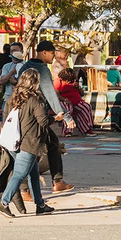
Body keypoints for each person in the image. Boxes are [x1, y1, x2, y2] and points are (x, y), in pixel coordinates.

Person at [0, 70, 57, 217]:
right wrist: (57, 118)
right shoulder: (36, 100)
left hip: (13, 142)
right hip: (29, 143)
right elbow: (42, 122)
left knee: (34, 174)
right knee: (19, 174)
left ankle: (40, 204)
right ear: (35, 82)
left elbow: (5, 119)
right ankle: (4, 203)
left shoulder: (13, 97)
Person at [18, 40, 74, 193]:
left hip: (24, 114)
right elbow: (51, 95)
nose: (53, 56)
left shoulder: (24, 67)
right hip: (37, 115)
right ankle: (23, 190)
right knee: (32, 152)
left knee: (51, 144)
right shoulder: (42, 70)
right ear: (44, 52)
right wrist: (67, 117)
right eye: (51, 53)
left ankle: (57, 181)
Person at [55, 68, 95, 137]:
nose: (70, 81)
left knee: (86, 107)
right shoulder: (58, 81)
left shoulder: (74, 82)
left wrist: (79, 88)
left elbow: (82, 93)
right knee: (68, 109)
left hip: (76, 101)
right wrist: (65, 99)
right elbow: (56, 95)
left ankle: (87, 129)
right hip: (64, 101)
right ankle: (67, 131)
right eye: (68, 80)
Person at [0, 42, 24, 117]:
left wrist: (16, 83)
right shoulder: (7, 66)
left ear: (22, 51)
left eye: (15, 51)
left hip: (23, 100)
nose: (13, 53)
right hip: (9, 99)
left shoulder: (26, 65)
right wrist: (11, 72)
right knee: (5, 124)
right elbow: (2, 81)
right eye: (11, 51)